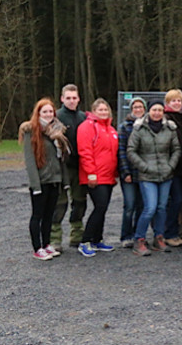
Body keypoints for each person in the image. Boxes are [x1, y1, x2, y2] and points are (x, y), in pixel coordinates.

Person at [128, 99, 182, 256]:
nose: (157, 113)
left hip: (166, 174)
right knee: (150, 208)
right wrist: (144, 167)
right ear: (148, 111)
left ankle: (159, 238)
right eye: (154, 110)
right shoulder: (139, 128)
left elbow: (176, 149)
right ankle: (139, 239)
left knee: (161, 208)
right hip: (147, 175)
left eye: (159, 110)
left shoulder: (170, 129)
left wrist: (170, 166)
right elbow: (131, 151)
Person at [20, 99, 70, 260]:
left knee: (49, 215)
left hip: (54, 180)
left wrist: (64, 180)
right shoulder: (31, 130)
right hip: (40, 181)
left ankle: (47, 244)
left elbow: (61, 158)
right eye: (45, 112)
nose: (48, 114)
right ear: (38, 113)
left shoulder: (57, 132)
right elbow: (29, 160)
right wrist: (35, 185)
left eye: (51, 112)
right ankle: (37, 248)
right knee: (38, 215)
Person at [76, 98, 119, 257]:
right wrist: (91, 173)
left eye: (105, 110)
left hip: (108, 176)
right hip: (95, 176)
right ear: (93, 111)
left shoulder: (111, 129)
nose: (103, 112)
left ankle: (97, 239)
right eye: (100, 110)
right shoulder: (87, 127)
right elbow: (85, 152)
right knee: (99, 207)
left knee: (103, 208)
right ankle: (85, 241)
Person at [50, 84, 87, 252]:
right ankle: (54, 238)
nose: (72, 101)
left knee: (80, 202)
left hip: (80, 167)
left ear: (78, 99)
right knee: (60, 203)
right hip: (62, 167)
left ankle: (76, 235)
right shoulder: (56, 117)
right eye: (68, 98)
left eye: (74, 98)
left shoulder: (84, 117)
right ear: (62, 99)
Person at [117, 97, 146, 248]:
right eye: (135, 107)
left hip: (144, 174)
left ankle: (138, 235)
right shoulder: (124, 127)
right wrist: (125, 172)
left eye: (141, 107)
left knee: (142, 206)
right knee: (129, 205)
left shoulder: (148, 126)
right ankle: (125, 236)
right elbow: (121, 151)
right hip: (129, 173)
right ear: (131, 109)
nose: (138, 110)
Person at [163, 89, 182, 247]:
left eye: (179, 101)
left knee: (175, 201)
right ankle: (169, 233)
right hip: (170, 168)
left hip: (180, 169)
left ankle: (170, 232)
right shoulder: (166, 120)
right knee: (172, 201)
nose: (177, 103)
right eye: (173, 101)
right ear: (168, 103)